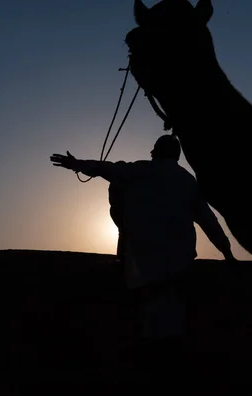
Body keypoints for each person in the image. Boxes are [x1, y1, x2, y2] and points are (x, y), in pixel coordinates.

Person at [50, 135, 236, 383]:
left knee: (149, 321)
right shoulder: (187, 181)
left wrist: (75, 164)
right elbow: (208, 221)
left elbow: (105, 168)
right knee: (170, 320)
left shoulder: (138, 171)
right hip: (177, 262)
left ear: (154, 152)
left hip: (143, 262)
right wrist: (227, 253)